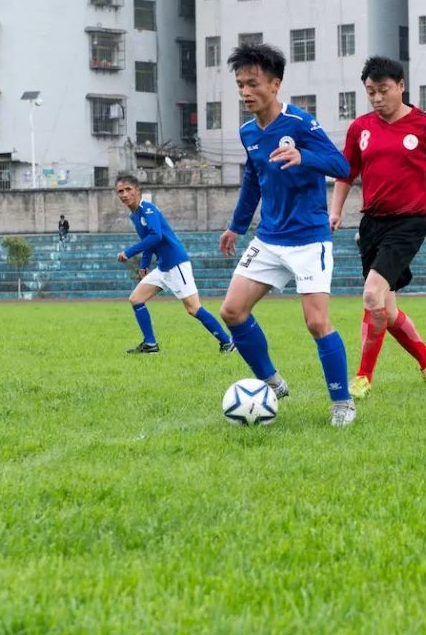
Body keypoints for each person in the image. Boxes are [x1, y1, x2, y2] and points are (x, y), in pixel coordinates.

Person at [219, 43, 356, 426]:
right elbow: (253, 179)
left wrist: (304, 157)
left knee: (316, 323)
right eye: (240, 85)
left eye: (253, 83)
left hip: (309, 239)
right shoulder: (248, 131)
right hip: (268, 239)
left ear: (275, 84)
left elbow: (342, 165)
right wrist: (236, 226)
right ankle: (271, 381)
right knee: (232, 311)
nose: (245, 92)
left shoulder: (300, 123)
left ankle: (342, 403)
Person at [330, 55, 426, 402]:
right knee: (387, 309)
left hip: (408, 223)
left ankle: (362, 377)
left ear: (400, 86)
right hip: (372, 224)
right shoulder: (360, 128)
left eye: (383, 90)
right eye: (370, 92)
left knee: (371, 294)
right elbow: (346, 173)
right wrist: (334, 212)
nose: (377, 98)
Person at [115, 176, 234, 355]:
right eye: (120, 191)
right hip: (163, 266)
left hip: (176, 264)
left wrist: (128, 252)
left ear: (137, 190)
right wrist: (144, 264)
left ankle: (227, 342)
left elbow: (156, 236)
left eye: (128, 189)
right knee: (136, 299)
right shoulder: (135, 215)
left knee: (193, 308)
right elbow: (148, 240)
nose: (124, 194)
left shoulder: (147, 209)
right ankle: (150, 344)